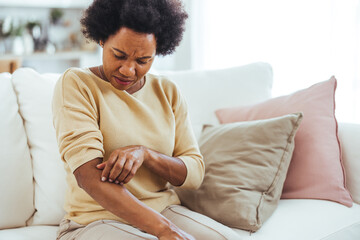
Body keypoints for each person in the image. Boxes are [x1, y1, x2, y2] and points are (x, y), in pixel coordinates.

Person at [52, 0, 238, 239]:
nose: (128, 70)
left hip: (163, 209)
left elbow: (194, 172)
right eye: (119, 55)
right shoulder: (77, 84)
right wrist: (164, 230)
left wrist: (146, 155)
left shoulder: (167, 91)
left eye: (143, 61)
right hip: (94, 220)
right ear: (101, 39)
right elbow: (88, 177)